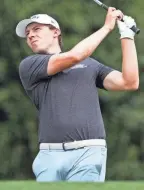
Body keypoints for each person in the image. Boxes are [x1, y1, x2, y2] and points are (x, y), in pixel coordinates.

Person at [15, 7, 139, 182]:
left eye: (37, 29)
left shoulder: (90, 65)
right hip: (49, 155)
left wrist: (126, 35)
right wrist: (107, 27)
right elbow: (75, 56)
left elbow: (130, 82)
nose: (30, 35)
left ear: (55, 32)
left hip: (89, 153)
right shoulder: (30, 65)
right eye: (27, 33)